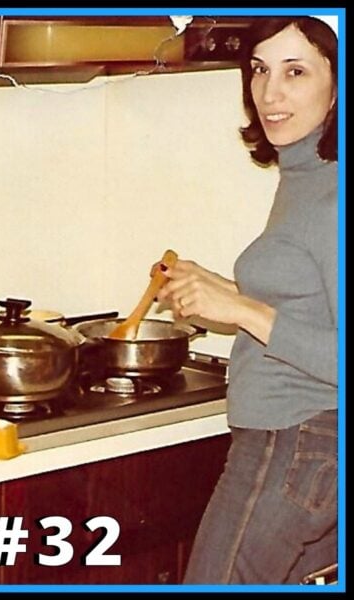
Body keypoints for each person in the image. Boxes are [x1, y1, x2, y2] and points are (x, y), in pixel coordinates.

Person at [156, 17, 338, 584]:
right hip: (306, 451)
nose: (269, 93)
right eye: (259, 69)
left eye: (296, 71)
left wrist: (244, 311)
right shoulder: (307, 171)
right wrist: (223, 291)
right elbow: (312, 303)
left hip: (294, 444)